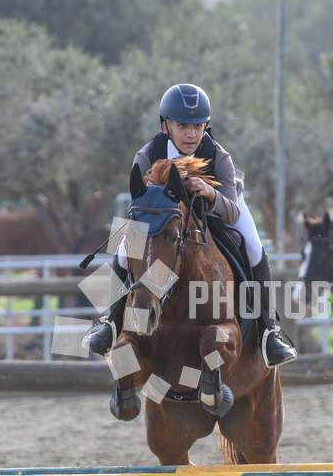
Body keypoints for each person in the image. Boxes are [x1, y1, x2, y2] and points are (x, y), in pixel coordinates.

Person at [88, 83, 297, 367]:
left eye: (198, 126)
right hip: (164, 218)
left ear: (205, 126)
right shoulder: (148, 154)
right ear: (165, 125)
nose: (191, 134)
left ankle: (269, 331)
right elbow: (141, 205)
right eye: (183, 126)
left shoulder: (219, 156)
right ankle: (109, 322)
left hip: (217, 210)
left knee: (254, 246)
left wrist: (210, 193)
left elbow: (231, 213)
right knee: (124, 248)